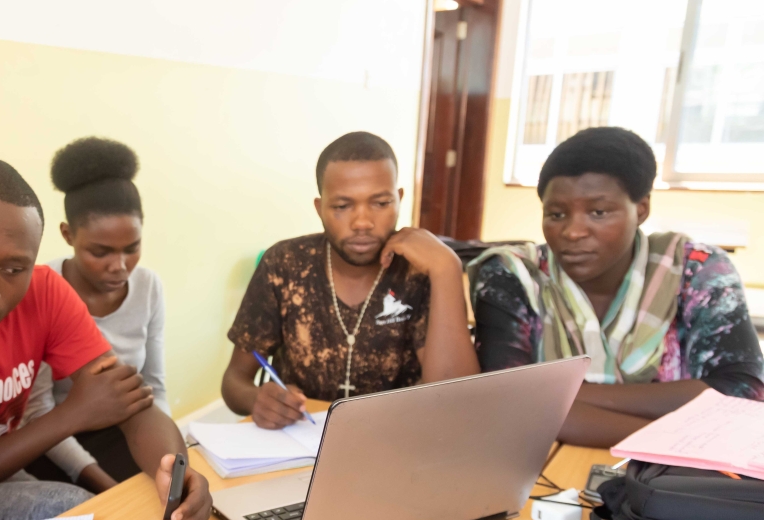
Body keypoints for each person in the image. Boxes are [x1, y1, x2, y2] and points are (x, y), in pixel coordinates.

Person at [0, 157, 211, 520]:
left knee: (127, 513)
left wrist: (179, 473)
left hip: (3, 474)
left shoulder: (46, 292)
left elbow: (131, 403)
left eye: (13, 269)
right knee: (80, 517)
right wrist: (73, 413)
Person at [470, 126, 764, 447]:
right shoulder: (514, 275)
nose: (573, 232)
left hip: (671, 477)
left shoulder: (696, 271)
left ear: (641, 210)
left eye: (598, 212)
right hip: (549, 468)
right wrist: (679, 432)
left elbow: (742, 392)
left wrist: (559, 400)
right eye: (556, 214)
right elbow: (505, 402)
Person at [221, 131, 479, 429]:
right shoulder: (285, 265)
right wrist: (257, 400)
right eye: (342, 207)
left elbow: (456, 401)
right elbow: (234, 381)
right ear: (320, 209)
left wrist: (447, 268)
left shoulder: (418, 271)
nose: (362, 223)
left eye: (381, 203)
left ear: (399, 199)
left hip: (398, 442)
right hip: (301, 446)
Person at [19, 137, 167, 491]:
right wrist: (101, 483)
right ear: (68, 235)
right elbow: (37, 412)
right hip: (56, 444)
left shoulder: (148, 286)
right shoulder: (40, 289)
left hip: (127, 429)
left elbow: (154, 386)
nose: (120, 267)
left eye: (132, 249)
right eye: (100, 252)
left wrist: (168, 460)